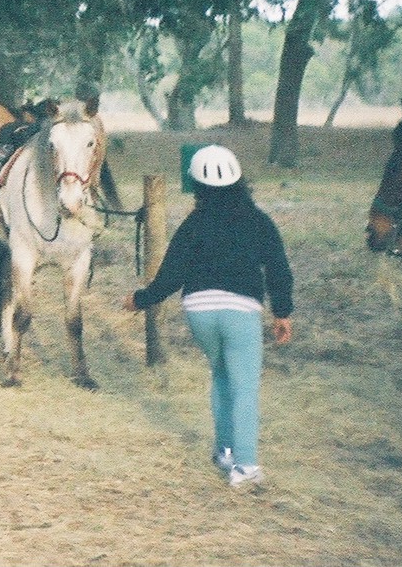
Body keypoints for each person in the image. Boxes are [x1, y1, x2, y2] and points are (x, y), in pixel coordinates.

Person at [124, 144, 293, 490]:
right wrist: (282, 312)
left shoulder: (193, 224)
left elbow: (170, 274)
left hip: (199, 312)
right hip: (240, 312)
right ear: (240, 180)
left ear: (196, 186)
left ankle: (225, 450)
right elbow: (278, 268)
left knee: (221, 376)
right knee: (245, 385)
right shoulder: (259, 221)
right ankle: (244, 468)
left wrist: (140, 300)